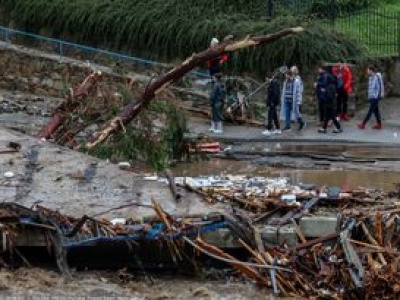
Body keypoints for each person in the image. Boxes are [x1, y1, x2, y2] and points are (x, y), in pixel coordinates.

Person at [317, 65, 343, 133]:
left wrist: (324, 92)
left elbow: (329, 96)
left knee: (332, 117)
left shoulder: (329, 87)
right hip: (330, 104)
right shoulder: (332, 86)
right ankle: (324, 128)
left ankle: (338, 128)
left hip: (329, 104)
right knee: (327, 116)